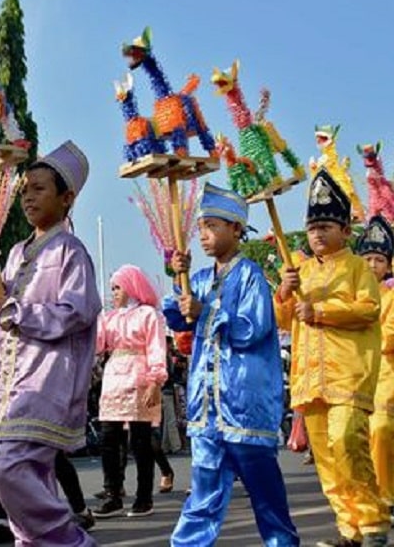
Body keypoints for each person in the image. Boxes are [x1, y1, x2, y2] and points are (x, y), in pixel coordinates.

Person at [0, 140, 101, 546]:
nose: (28, 195)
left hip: (47, 379)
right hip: (13, 379)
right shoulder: (15, 253)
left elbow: (77, 311)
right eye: (25, 188)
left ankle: (71, 540)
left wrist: (17, 312)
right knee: (31, 477)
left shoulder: (71, 250)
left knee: (10, 469)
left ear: (66, 199)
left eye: (39, 188)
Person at [164, 182, 299, 547]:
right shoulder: (201, 279)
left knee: (266, 495)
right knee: (202, 495)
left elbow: (251, 329)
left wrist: (204, 310)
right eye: (201, 227)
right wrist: (176, 275)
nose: (204, 235)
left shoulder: (250, 274)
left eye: (212, 226)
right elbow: (175, 314)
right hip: (207, 411)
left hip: (245, 408)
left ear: (236, 228)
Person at [277, 170, 390, 547]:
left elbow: (368, 309)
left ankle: (373, 522)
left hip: (347, 376)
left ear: (345, 231)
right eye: (312, 228)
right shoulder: (300, 270)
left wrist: (321, 310)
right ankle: (349, 529)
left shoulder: (358, 267)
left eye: (326, 226)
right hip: (308, 380)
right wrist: (284, 293)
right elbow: (280, 321)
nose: (318, 234)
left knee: (347, 443)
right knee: (326, 459)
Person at [93, 264, 167, 518]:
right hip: (113, 378)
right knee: (108, 439)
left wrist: (155, 381)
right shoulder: (108, 317)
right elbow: (96, 345)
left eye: (118, 287)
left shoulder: (149, 315)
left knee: (141, 440)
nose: (113, 292)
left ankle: (144, 497)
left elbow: (157, 348)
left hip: (139, 376)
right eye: (111, 288)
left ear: (131, 286)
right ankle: (113, 494)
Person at [355, 215, 394, 523]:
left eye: (378, 259)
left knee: (380, 428)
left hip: (386, 374)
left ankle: (385, 497)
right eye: (366, 258)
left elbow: (388, 335)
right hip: (353, 374)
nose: (372, 264)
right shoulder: (350, 292)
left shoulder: (392, 294)